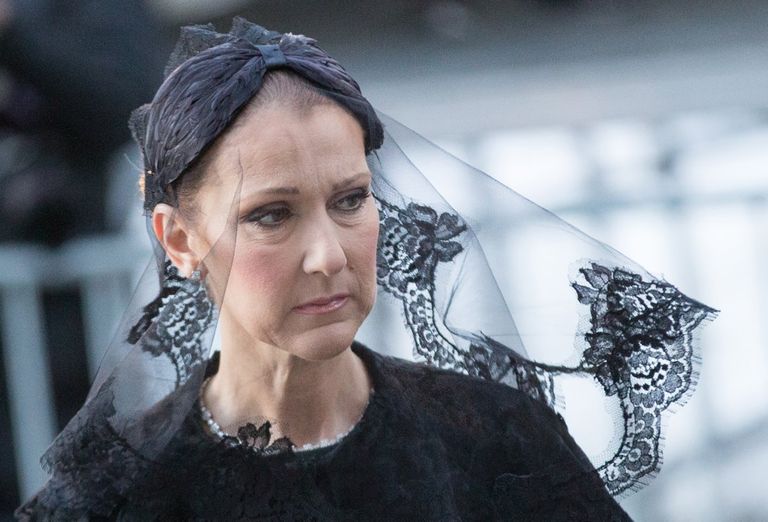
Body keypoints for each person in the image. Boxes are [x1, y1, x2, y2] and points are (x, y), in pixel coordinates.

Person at [15, 17, 717, 520]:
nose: (328, 255)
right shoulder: (116, 496)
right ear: (179, 240)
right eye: (271, 215)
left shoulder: (498, 442)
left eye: (351, 200)